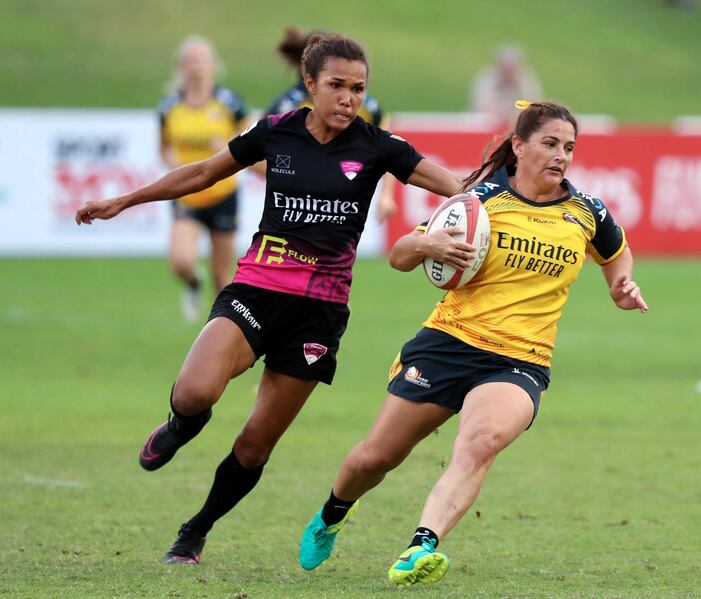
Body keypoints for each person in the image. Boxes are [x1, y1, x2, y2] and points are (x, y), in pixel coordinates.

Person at [75, 33, 462, 565]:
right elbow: (201, 173)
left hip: (318, 316)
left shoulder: (378, 146)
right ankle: (181, 425)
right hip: (258, 287)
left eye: (359, 88)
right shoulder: (276, 133)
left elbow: (457, 188)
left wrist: (494, 187)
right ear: (309, 84)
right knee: (193, 392)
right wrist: (125, 199)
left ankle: (195, 530)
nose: (349, 99)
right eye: (337, 86)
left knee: (256, 445)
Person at [298, 100, 649, 586]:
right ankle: (334, 512)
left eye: (569, 147)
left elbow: (618, 253)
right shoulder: (479, 200)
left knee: (480, 443)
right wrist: (428, 245)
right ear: (520, 145)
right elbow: (400, 255)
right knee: (377, 457)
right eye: (549, 144)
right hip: (448, 343)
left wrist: (621, 285)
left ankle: (421, 545)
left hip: (520, 359)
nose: (561, 156)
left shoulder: (586, 211)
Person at [158, 35, 249, 321]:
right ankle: (193, 282)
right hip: (187, 193)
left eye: (200, 59)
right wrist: (171, 160)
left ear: (212, 65)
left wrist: (224, 146)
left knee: (222, 275)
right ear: (180, 68)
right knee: (181, 261)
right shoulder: (169, 107)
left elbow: (250, 140)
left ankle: (221, 328)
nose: (195, 66)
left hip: (223, 193)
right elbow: (163, 147)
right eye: (189, 61)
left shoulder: (229, 102)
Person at [266, 26, 398, 221]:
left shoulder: (365, 105)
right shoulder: (287, 106)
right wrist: (296, 175)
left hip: (342, 204)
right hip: (296, 205)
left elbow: (389, 148)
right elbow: (257, 155)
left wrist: (386, 195)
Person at [469, 45, 544, 125]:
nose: (508, 72)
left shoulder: (526, 79)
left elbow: (533, 104)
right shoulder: (487, 78)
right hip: (489, 123)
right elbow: (480, 105)